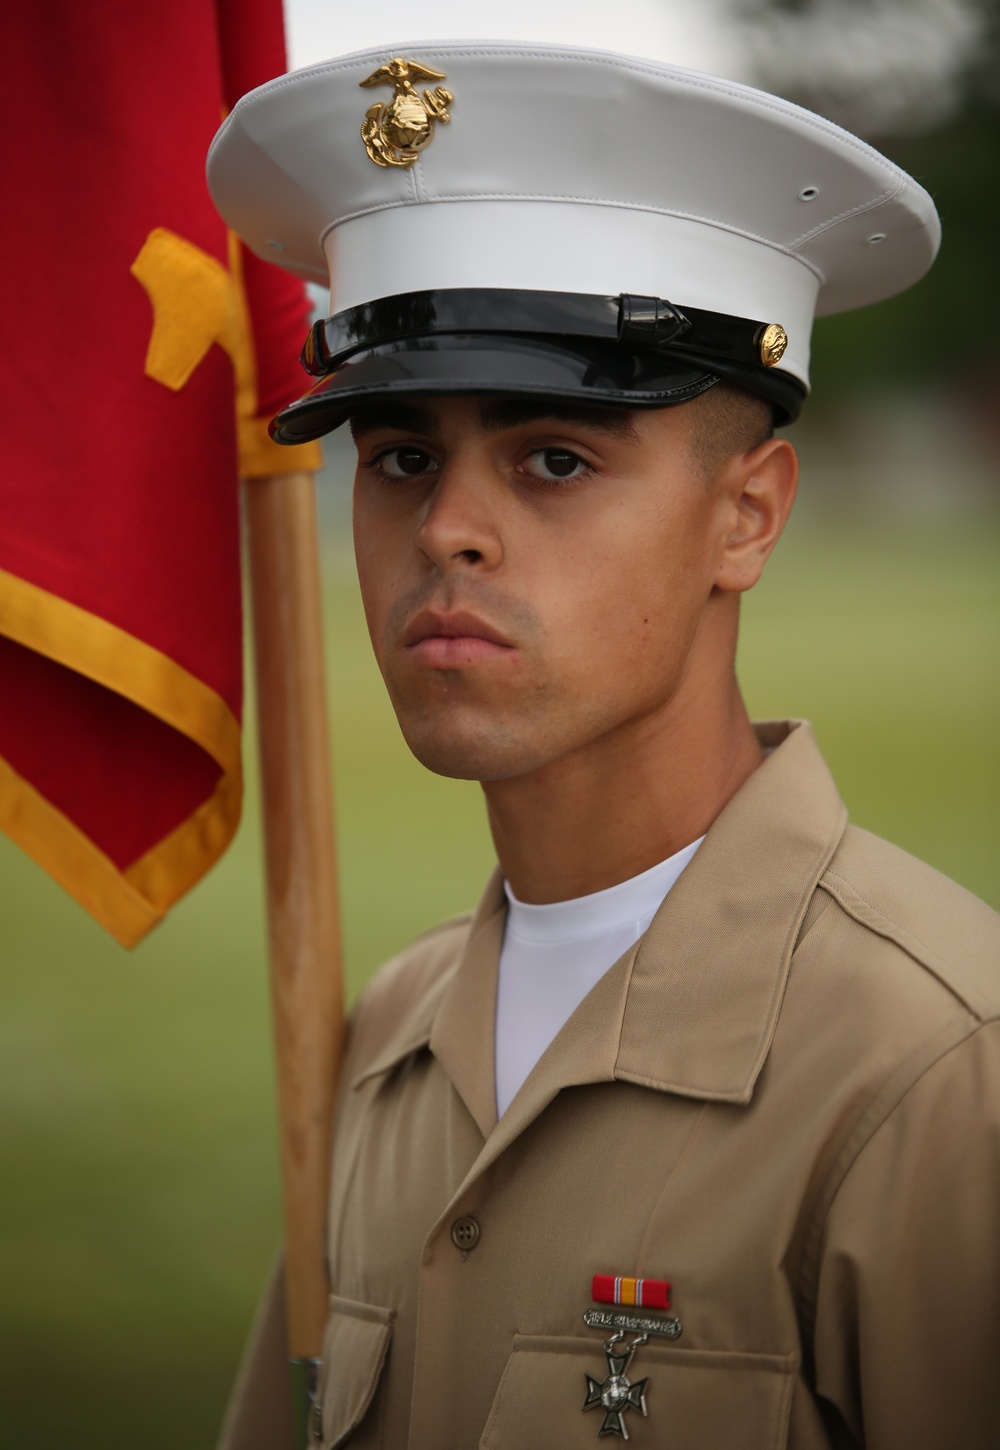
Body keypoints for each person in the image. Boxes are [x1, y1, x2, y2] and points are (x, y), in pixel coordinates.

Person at [208, 41, 1000, 1449]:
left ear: (747, 514)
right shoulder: (376, 1036)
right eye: (397, 456)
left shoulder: (936, 1068)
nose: (445, 525)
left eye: (554, 457)